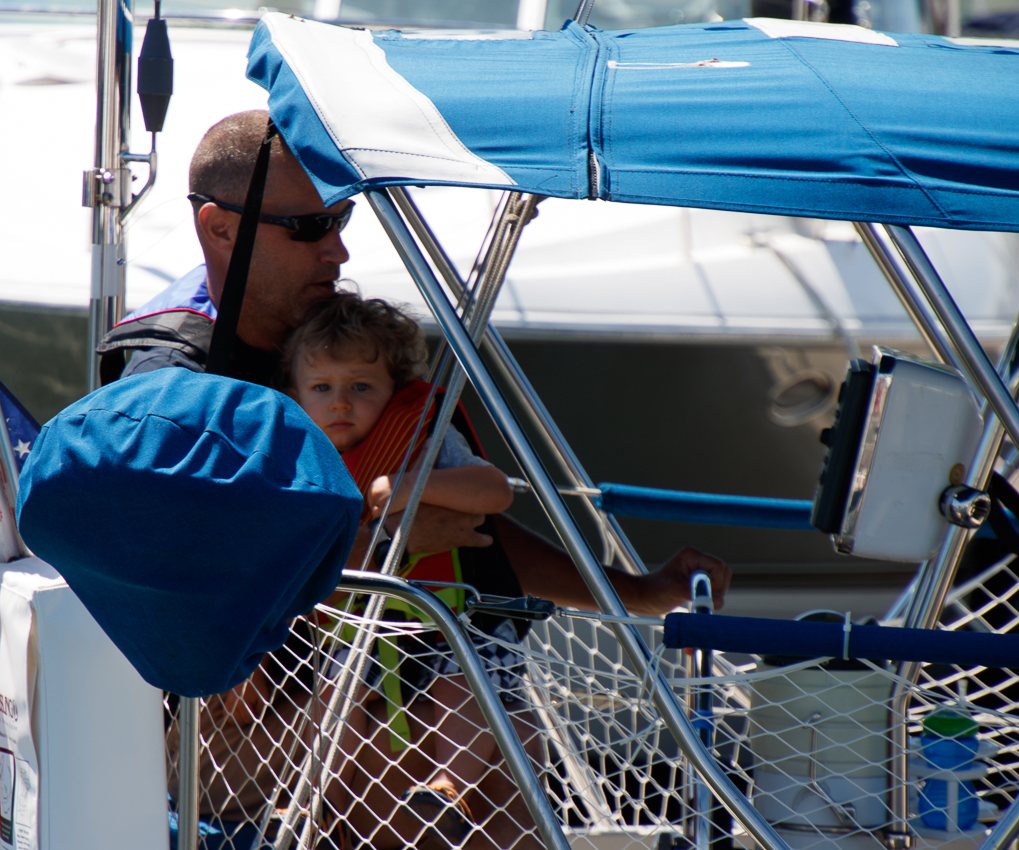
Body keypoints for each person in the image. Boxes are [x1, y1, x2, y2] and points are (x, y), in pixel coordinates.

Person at [103, 109, 733, 849]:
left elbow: (474, 531)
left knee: (510, 787)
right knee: (389, 783)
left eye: (340, 218)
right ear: (221, 230)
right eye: (306, 229)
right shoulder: (166, 385)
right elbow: (176, 581)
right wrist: (380, 545)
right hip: (231, 719)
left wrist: (637, 594)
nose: (336, 250)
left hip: (401, 671)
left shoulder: (344, 348)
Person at [284, 290, 523, 843]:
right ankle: (310, 794)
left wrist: (408, 486)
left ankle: (448, 786)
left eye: (361, 388)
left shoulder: (426, 439)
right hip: (366, 623)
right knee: (336, 691)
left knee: (464, 681)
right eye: (322, 389)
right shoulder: (301, 457)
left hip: (458, 617)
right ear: (296, 397)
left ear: (396, 393)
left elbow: (495, 490)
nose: (340, 404)